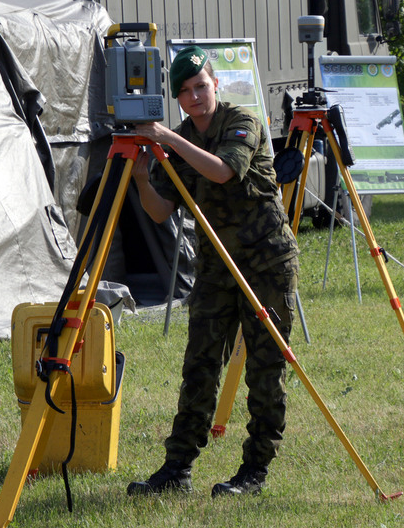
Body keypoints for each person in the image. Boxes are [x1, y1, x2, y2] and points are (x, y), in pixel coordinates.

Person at [126, 45, 300, 498]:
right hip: (216, 268)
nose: (195, 97)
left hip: (266, 263)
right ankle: (177, 470)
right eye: (185, 91)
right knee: (199, 366)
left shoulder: (242, 121)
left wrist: (168, 139)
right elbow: (160, 211)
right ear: (178, 98)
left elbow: (223, 171)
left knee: (265, 369)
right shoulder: (179, 138)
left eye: (201, 86)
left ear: (215, 84)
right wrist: (143, 177)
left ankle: (254, 471)